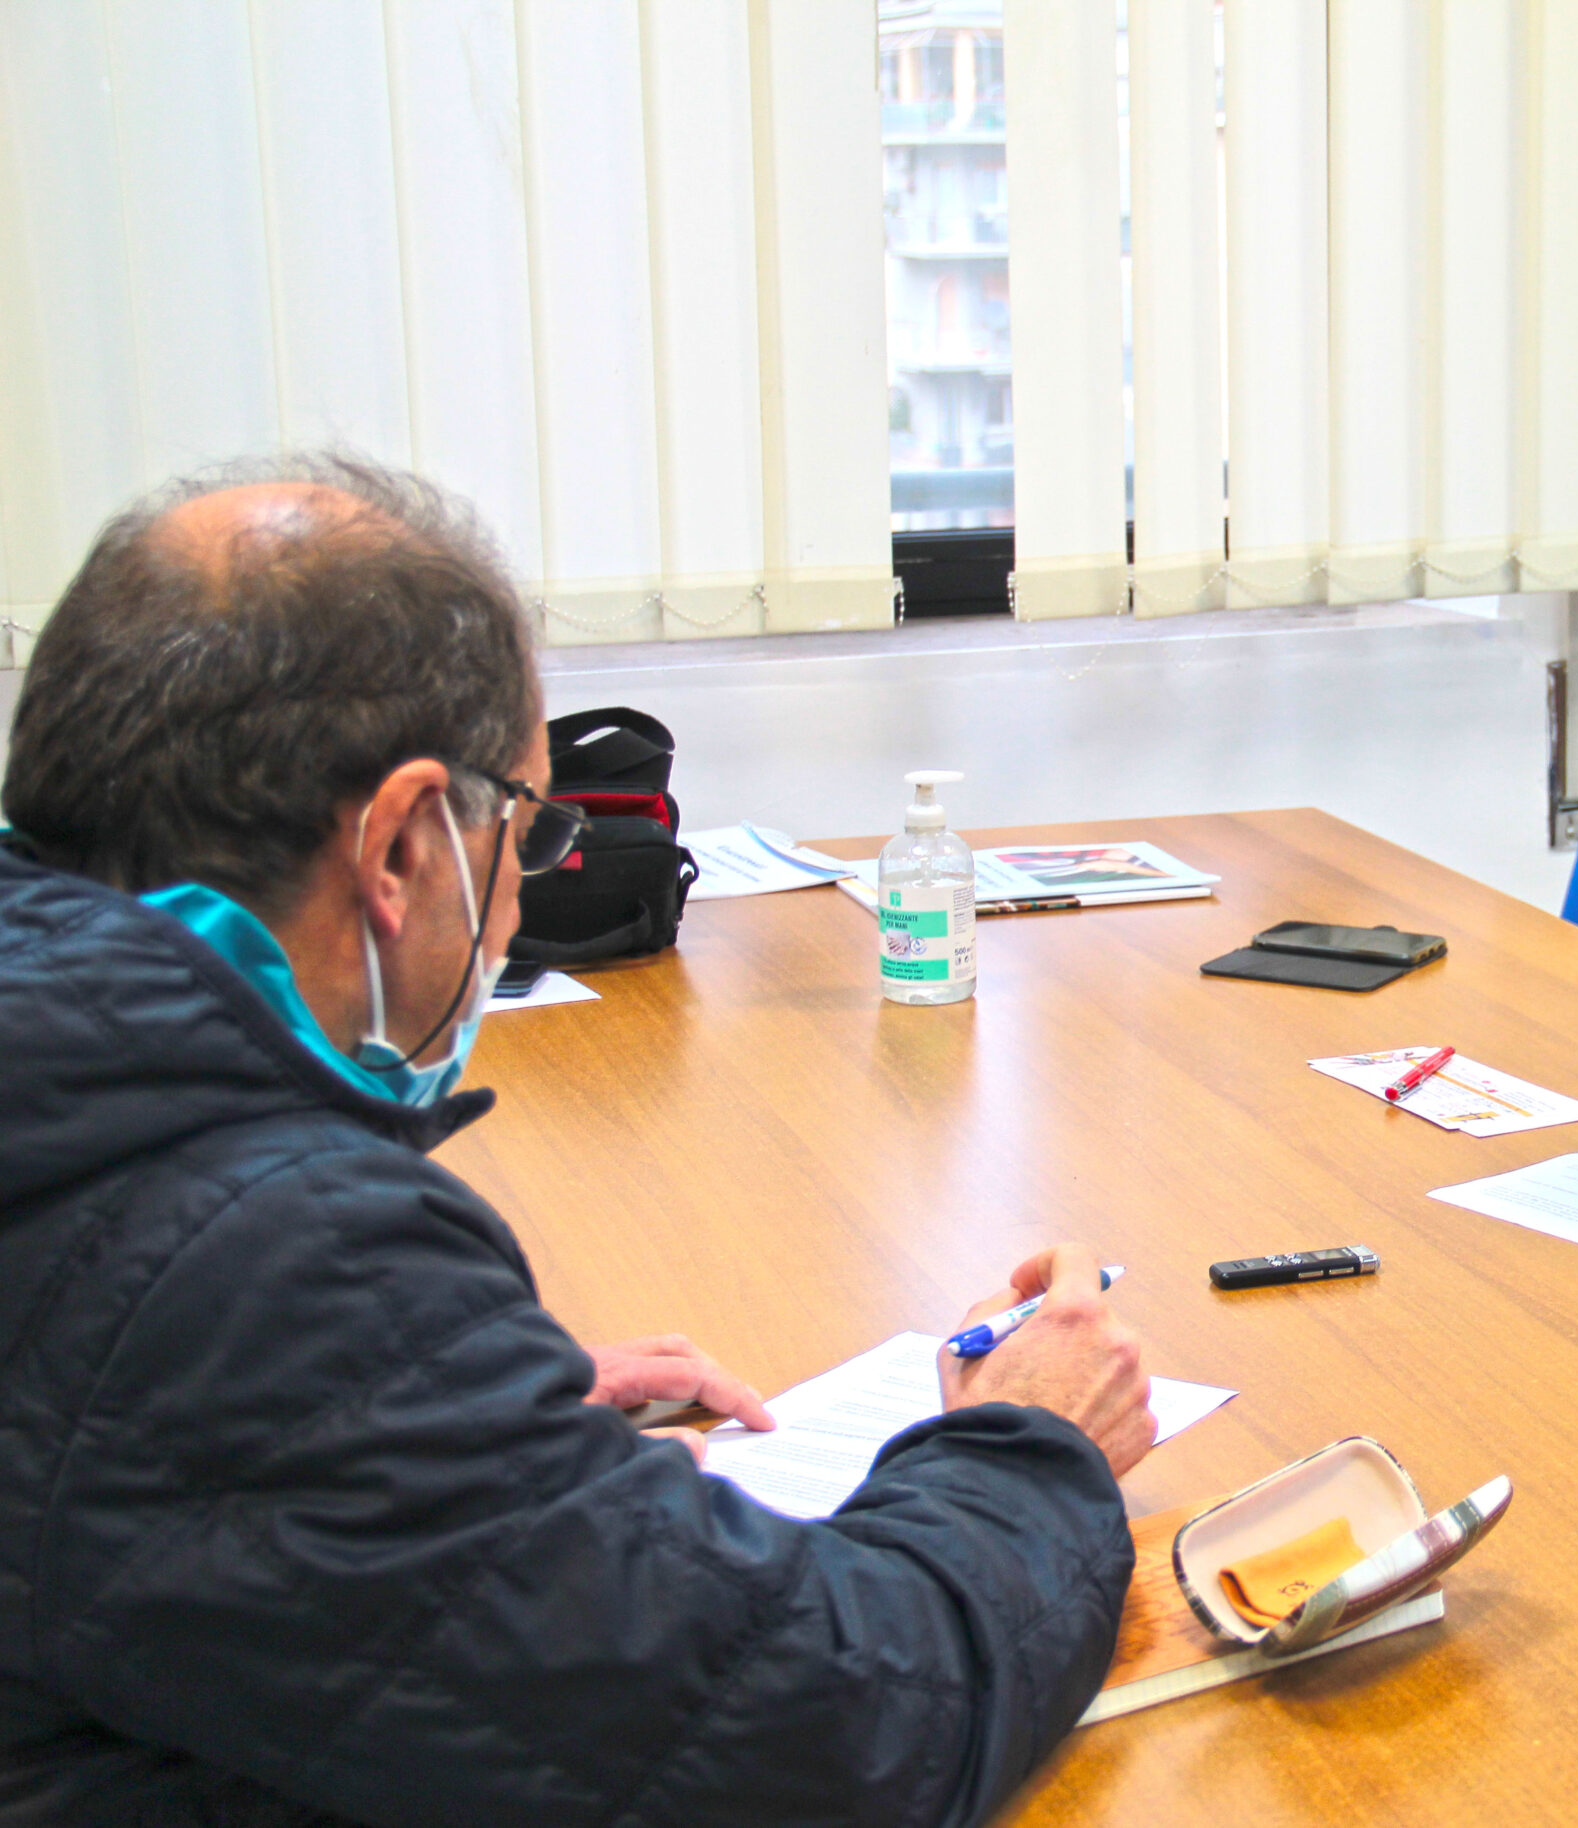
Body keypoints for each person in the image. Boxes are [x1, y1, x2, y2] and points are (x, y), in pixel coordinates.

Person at [0, 456, 1156, 1825]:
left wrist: (457, 1421)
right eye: (528, 832)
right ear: (402, 847)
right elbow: (839, 1732)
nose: (513, 908)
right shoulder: (270, 1261)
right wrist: (1030, 1440)